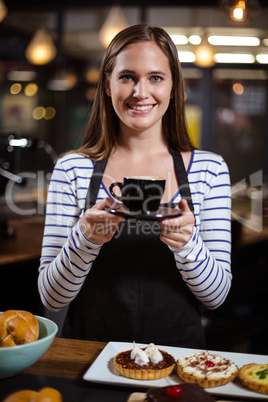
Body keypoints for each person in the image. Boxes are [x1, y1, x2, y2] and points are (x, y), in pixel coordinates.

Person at [38, 23, 232, 348]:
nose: (141, 92)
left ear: (173, 87)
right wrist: (85, 240)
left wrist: (187, 245)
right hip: (88, 356)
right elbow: (51, 298)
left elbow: (217, 296)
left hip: (178, 360)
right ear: (108, 84)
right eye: (127, 76)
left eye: (155, 77)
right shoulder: (72, 169)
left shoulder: (209, 170)